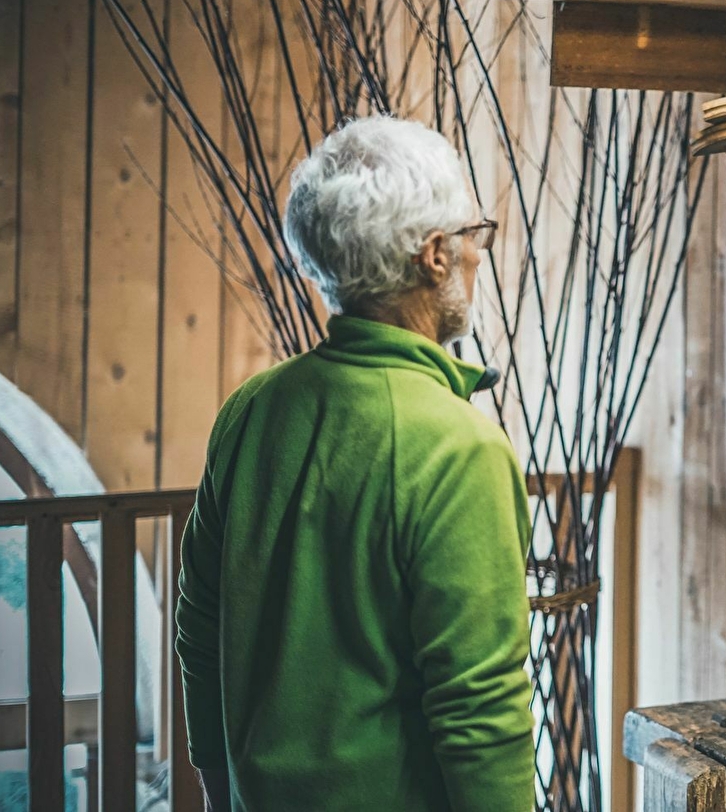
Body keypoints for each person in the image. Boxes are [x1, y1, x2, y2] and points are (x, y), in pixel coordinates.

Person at [177, 116, 535, 811]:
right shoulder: (460, 448)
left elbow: (199, 630)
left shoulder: (251, 410)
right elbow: (480, 713)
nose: (477, 255)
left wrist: (220, 793)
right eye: (472, 235)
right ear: (434, 255)